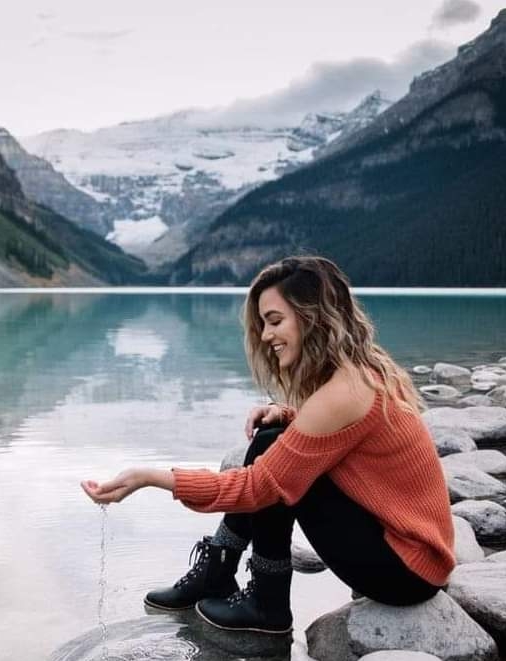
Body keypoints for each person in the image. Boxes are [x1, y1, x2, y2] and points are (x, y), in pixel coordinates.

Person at [81, 256, 455, 635]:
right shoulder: (362, 369)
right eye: (262, 324)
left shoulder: (346, 390)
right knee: (272, 440)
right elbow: (350, 441)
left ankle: (265, 600)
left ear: (313, 317)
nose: (264, 336)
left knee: (276, 472)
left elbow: (257, 488)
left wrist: (152, 477)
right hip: (412, 554)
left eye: (275, 321)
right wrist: (290, 416)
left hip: (407, 572)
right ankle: (223, 573)